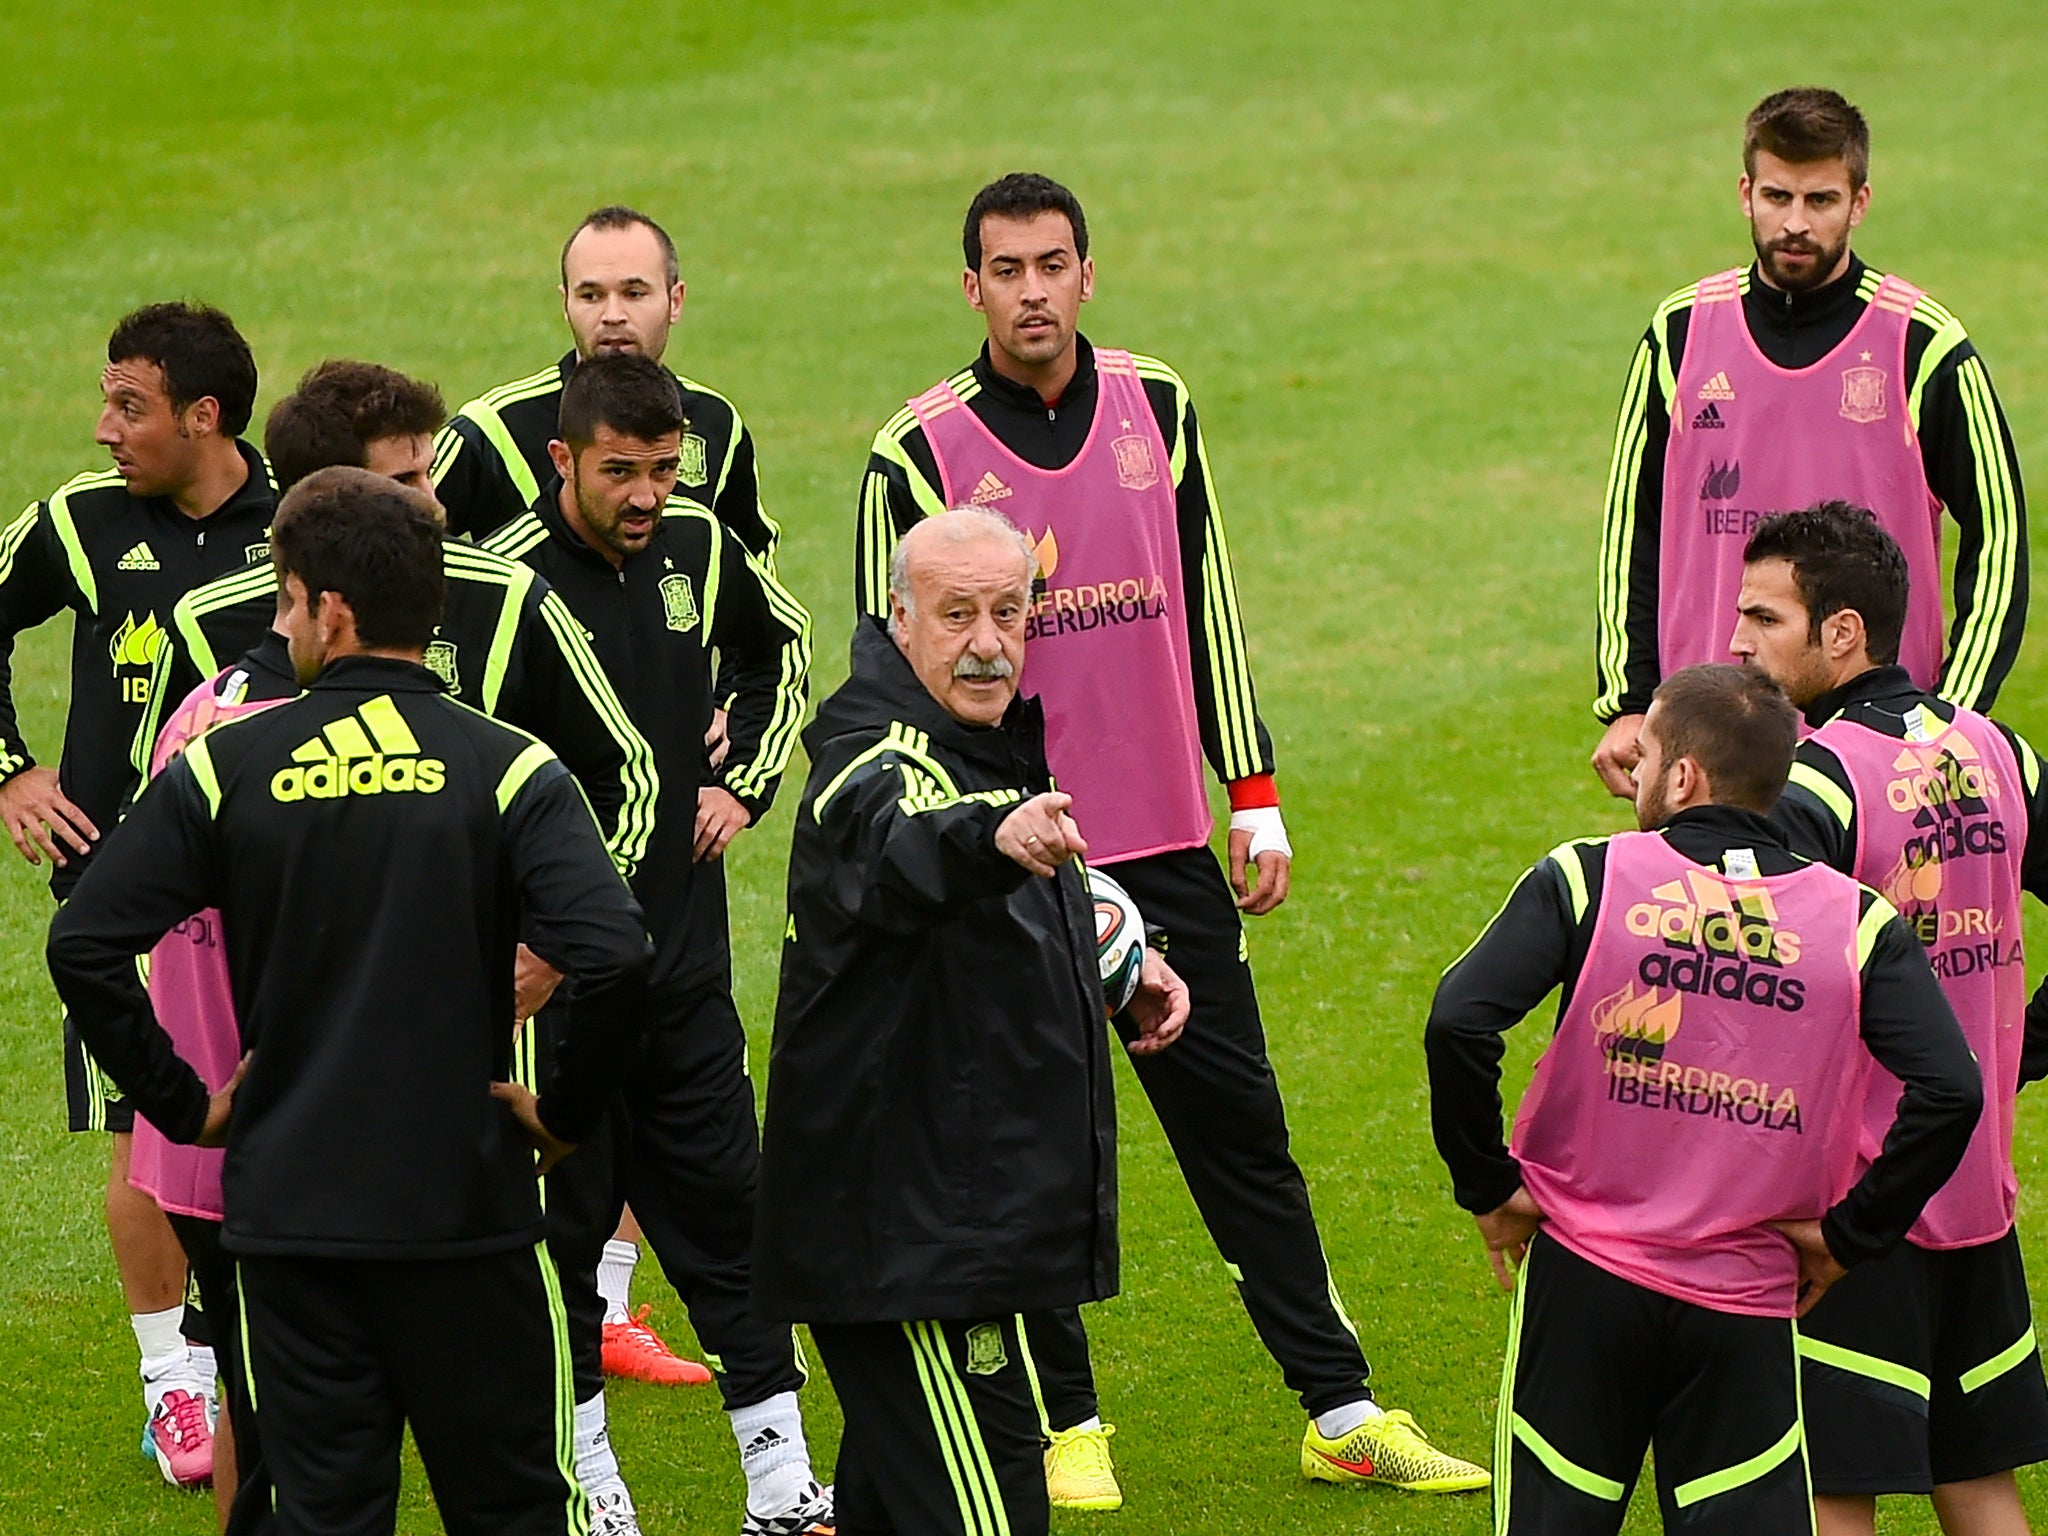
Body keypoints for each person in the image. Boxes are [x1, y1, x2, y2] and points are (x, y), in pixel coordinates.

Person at [852, 171, 1486, 1501]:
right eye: (1005, 269)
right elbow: (879, 681)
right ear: (969, 287)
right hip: (1013, 859)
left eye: (1053, 264)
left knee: (1241, 1129)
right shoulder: (913, 452)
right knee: (1034, 1139)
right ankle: (1066, 1424)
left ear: (1090, 274)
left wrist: (1251, 793)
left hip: (1162, 844)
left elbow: (1207, 603)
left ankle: (1342, 1407)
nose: (1032, 290)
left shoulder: (1161, 405)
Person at [47, 466, 652, 1536]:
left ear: (328, 609)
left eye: (285, 600)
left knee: (324, 1512)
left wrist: (182, 1105)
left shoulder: (229, 765)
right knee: (512, 1508)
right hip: (465, 1214)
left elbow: (85, 940)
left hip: (292, 1219)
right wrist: (560, 1115)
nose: (285, 623)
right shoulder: (510, 768)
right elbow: (611, 956)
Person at [1428, 662, 1982, 1534]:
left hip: (1584, 1288)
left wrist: (1489, 1185)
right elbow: (1953, 1090)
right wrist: (1850, 1235)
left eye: (1645, 755)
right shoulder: (1858, 920)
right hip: (1746, 1305)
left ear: (1683, 774)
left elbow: (1460, 1022)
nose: (1636, 774)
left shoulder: (1587, 876)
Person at [756, 508, 1187, 1536]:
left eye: (1005, 612)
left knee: (916, 1505)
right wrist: (991, 834)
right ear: (899, 620)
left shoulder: (980, 742)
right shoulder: (880, 756)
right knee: (985, 1515)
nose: (988, 643)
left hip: (951, 1235)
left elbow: (984, 943)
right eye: (956, 616)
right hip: (905, 1250)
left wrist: (1118, 960)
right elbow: (901, 842)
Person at [483, 354, 822, 1536]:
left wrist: (744, 783)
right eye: (619, 471)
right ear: (560, 459)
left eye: (664, 470)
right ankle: (591, 1487)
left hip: (681, 972)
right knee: (558, 1236)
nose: (644, 495)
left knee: (731, 1216)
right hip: (555, 994)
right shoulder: (500, 589)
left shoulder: (699, 545)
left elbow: (782, 644)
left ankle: (780, 1480)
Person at [1730, 504, 2048, 1535]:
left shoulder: (1811, 784)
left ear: (1841, 634)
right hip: (1974, 1184)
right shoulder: (2000, 751)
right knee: (1976, 1481)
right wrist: (2010, 1060)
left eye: (1763, 618)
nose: (1736, 641)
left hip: (1852, 1203)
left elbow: (1756, 1002)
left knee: (1829, 1491)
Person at [0, 302, 276, 1484]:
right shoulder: (78, 520)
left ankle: (272, 1356)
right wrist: (10, 770)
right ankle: (176, 1378)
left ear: (202, 416)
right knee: (142, 1133)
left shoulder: (297, 519)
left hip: (279, 885)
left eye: (129, 405)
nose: (102, 428)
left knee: (279, 1115)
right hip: (127, 898)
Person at [1591, 87, 2027, 798]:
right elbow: (1631, 530)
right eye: (1778, 196)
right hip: (1705, 737)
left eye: (1820, 201)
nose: (1795, 223)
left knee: (1872, 916)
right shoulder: (1681, 334)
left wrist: (1950, 718)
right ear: (1746, 193)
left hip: (1878, 753)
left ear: (1859, 202)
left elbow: (2000, 536)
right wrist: (1631, 700)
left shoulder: (1922, 343)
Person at [432, 203, 778, 561]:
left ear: (675, 301)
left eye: (634, 293)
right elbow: (395, 545)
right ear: (566, 304)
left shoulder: (717, 423)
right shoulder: (492, 429)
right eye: (591, 296)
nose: (613, 316)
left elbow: (753, 566)